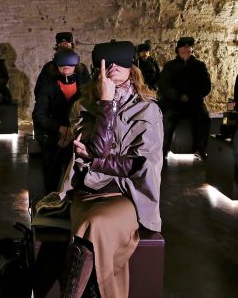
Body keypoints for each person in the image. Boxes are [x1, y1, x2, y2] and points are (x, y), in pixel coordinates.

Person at [57, 40, 163, 298]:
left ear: (132, 68)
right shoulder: (83, 106)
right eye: (106, 63)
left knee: (96, 225)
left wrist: (95, 161)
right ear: (97, 70)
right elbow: (98, 151)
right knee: (91, 233)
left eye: (119, 61)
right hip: (86, 191)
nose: (113, 66)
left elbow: (136, 166)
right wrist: (106, 103)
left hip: (126, 195)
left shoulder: (148, 110)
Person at [32, 49, 83, 195]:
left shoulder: (84, 85)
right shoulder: (48, 86)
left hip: (76, 133)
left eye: (70, 64)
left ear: (76, 65)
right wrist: (60, 129)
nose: (66, 66)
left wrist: (73, 133)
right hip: (53, 133)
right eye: (62, 64)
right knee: (53, 164)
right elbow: (39, 115)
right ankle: (51, 197)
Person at [158, 36, 211, 160]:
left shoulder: (199, 66)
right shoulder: (169, 66)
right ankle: (164, 148)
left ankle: (200, 148)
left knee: (204, 117)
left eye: (189, 47)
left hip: (194, 102)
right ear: (178, 50)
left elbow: (206, 86)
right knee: (168, 118)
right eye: (183, 47)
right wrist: (177, 96)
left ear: (192, 50)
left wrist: (191, 96)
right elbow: (164, 86)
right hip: (174, 102)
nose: (186, 49)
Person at [34, 32, 90, 98]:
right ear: (57, 46)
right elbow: (39, 92)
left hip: (77, 106)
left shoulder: (82, 68)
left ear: (72, 45)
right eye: (61, 42)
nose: (64, 42)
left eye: (67, 41)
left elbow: (89, 90)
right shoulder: (48, 67)